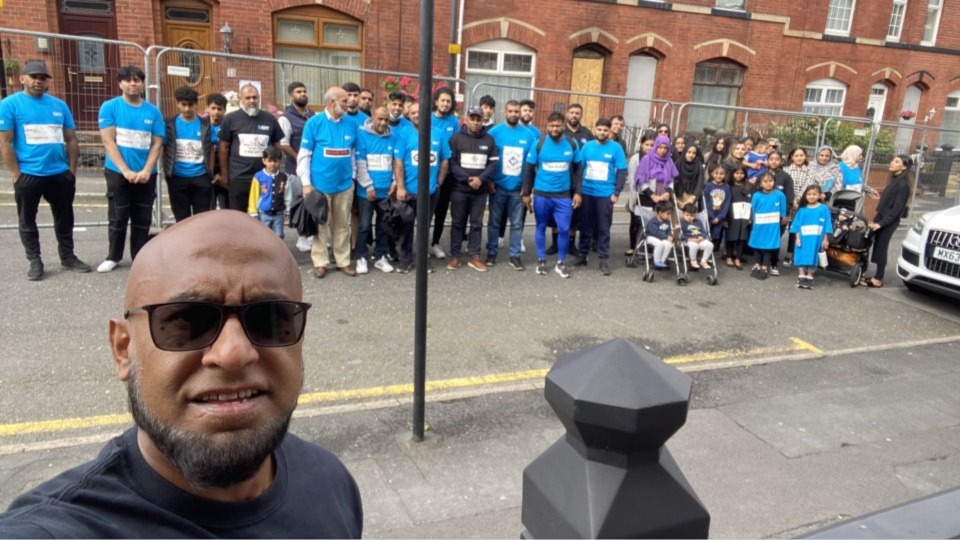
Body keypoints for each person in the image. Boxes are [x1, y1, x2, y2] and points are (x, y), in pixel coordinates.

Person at [0, 211, 363, 537]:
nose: (234, 353)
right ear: (123, 349)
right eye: (188, 320)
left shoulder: (331, 483)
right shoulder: (59, 528)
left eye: (270, 319)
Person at [0, 59, 91, 280]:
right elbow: (5, 142)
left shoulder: (59, 106)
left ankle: (67, 257)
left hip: (59, 174)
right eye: (33, 77)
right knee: (27, 220)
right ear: (22, 79)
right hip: (29, 174)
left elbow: (71, 140)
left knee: (65, 218)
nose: (38, 81)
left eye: (42, 78)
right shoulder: (10, 105)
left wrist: (71, 171)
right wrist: (16, 173)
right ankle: (35, 260)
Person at [96, 65, 165, 274]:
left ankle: (140, 256)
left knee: (142, 217)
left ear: (142, 83)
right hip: (118, 172)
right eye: (128, 80)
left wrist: (146, 170)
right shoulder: (110, 107)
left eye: (137, 80)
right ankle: (113, 256)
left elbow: (156, 143)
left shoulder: (153, 112)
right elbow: (109, 142)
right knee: (118, 215)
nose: (132, 83)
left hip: (146, 174)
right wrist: (125, 170)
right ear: (120, 84)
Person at [298, 87, 359, 279]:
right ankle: (320, 262)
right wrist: (307, 184)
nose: (348, 103)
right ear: (331, 102)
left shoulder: (351, 124)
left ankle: (343, 261)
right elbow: (304, 156)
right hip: (320, 186)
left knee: (342, 225)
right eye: (344, 100)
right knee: (320, 226)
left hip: (344, 186)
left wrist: (352, 179)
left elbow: (353, 155)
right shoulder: (314, 123)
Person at [521, 111, 582, 278]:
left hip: (563, 195)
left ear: (563, 125)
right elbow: (528, 169)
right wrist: (526, 193)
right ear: (547, 126)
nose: (554, 129)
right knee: (541, 227)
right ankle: (541, 260)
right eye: (551, 126)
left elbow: (578, 169)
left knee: (564, 229)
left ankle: (560, 262)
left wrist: (578, 192)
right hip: (541, 194)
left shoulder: (572, 143)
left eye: (557, 126)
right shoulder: (538, 143)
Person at [393, 102, 451, 274]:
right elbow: (398, 162)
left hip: (431, 191)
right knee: (406, 226)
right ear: (409, 115)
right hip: (409, 191)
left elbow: (445, 160)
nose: (417, 114)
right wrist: (401, 187)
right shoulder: (404, 133)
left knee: (424, 228)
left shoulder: (438, 134)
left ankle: (423, 261)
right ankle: (406, 260)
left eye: (420, 111)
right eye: (413, 112)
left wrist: (439, 183)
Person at [447, 106, 499, 272]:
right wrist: (467, 178)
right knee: (457, 223)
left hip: (480, 191)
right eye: (472, 118)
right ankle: (455, 256)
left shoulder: (489, 140)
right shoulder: (455, 139)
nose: (475, 122)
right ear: (466, 118)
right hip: (460, 189)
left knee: (477, 224)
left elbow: (493, 163)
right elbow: (451, 163)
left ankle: (474, 256)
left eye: (479, 119)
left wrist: (481, 179)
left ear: (483, 120)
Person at [574, 117, 627, 276]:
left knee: (604, 229)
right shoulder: (587, 147)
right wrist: (579, 191)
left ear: (609, 131)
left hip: (605, 195)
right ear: (595, 129)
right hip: (588, 193)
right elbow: (579, 169)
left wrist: (616, 193)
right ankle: (582, 255)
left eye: (605, 130)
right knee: (585, 226)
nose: (602, 132)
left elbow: (622, 171)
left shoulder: (616, 148)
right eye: (600, 129)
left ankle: (603, 259)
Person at [218, 84, 284, 212]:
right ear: (240, 99)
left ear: (259, 98)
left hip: (264, 178)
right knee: (238, 218)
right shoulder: (230, 119)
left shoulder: (270, 119)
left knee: (263, 217)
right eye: (247, 98)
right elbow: (223, 148)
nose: (251, 101)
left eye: (254, 97)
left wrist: (276, 172)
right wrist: (225, 174)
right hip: (238, 178)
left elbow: (277, 147)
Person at [487, 100, 534, 270]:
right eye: (511, 111)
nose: (514, 114)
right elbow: (488, 160)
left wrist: (527, 187)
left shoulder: (528, 135)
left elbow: (531, 164)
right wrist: (489, 181)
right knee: (493, 222)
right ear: (505, 112)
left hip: (518, 190)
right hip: (497, 187)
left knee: (516, 224)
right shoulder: (494, 132)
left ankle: (515, 256)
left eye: (516, 111)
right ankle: (491, 253)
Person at [860, 155, 912, 288]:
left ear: (904, 167)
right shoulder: (895, 179)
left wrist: (881, 223)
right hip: (881, 217)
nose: (892, 163)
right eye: (893, 160)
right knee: (866, 241)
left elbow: (897, 208)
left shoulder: (903, 184)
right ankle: (861, 270)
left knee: (881, 247)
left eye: (896, 162)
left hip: (888, 221)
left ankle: (878, 278)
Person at [356, 106, 398, 274]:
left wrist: (394, 183)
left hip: (386, 192)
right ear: (372, 117)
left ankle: (381, 256)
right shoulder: (362, 136)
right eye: (379, 119)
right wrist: (368, 186)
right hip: (367, 192)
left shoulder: (392, 136)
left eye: (386, 119)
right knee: (365, 226)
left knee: (383, 226)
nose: (383, 123)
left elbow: (396, 162)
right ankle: (361, 257)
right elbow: (360, 164)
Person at [162, 86, 213, 222]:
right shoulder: (169, 124)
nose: (187, 109)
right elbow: (164, 149)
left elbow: (211, 149)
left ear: (196, 104)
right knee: (181, 219)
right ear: (177, 103)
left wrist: (210, 173)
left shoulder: (205, 125)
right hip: (177, 178)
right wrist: (168, 173)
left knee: (201, 219)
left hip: (201, 177)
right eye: (183, 105)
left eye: (190, 105)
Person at [278, 81, 315, 252]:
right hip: (295, 169)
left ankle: (314, 235)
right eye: (299, 91)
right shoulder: (286, 118)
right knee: (299, 202)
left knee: (315, 201)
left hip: (315, 169)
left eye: (304, 91)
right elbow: (283, 144)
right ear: (291, 96)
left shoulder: (313, 116)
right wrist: (301, 159)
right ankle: (302, 237)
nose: (303, 94)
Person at [428, 87, 462, 260]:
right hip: (427, 170)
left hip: (446, 172)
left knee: (441, 210)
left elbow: (455, 145)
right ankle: (421, 243)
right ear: (436, 101)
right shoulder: (427, 118)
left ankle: (435, 243)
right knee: (425, 211)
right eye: (443, 100)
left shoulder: (454, 122)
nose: (445, 104)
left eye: (449, 101)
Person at [790, 184, 833, 289]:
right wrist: (797, 237)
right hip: (803, 237)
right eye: (809, 194)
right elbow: (796, 224)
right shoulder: (802, 209)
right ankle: (801, 276)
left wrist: (825, 239)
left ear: (819, 196)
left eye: (814, 194)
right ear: (805, 195)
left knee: (813, 256)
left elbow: (827, 224)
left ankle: (810, 277)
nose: (811, 196)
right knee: (801, 255)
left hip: (816, 238)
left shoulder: (823, 209)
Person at [747, 172, 787, 280]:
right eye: (765, 181)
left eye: (770, 181)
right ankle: (757, 265)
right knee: (757, 245)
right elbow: (753, 209)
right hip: (759, 225)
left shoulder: (779, 195)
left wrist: (783, 217)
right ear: (760, 183)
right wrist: (752, 220)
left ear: (774, 182)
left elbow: (783, 208)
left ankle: (764, 267)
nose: (768, 183)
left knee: (769, 246)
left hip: (772, 226)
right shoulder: (756, 195)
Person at [782, 147, 816, 268]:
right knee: (781, 228)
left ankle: (790, 254)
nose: (799, 158)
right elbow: (784, 187)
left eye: (801, 155)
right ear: (792, 157)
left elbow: (808, 187)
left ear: (805, 156)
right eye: (796, 156)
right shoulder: (785, 170)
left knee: (795, 230)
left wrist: (797, 201)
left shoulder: (809, 171)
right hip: (787, 203)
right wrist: (791, 201)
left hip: (801, 205)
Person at [625, 130, 657, 256]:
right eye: (647, 144)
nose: (649, 147)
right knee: (635, 222)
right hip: (638, 195)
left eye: (652, 145)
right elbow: (633, 180)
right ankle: (633, 246)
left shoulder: (658, 159)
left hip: (653, 195)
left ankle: (649, 246)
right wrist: (634, 197)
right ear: (641, 145)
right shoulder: (635, 159)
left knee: (651, 221)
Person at [766, 150, 795, 275]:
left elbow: (789, 198)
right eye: (771, 158)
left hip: (779, 216)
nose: (774, 161)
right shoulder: (763, 175)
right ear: (767, 160)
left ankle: (773, 263)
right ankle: (762, 263)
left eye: (777, 159)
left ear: (781, 161)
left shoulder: (786, 177)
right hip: (764, 215)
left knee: (775, 239)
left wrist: (785, 215)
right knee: (765, 238)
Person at [254, 147, 287, 238]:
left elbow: (287, 194)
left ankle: (278, 252)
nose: (272, 163)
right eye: (270, 161)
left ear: (279, 161)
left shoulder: (283, 177)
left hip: (279, 213)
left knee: (279, 235)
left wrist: (288, 209)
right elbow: (254, 195)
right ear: (264, 161)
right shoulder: (258, 176)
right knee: (264, 236)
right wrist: (253, 212)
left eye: (275, 161)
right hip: (263, 213)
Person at [205, 93, 229, 210]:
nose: (216, 112)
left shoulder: (229, 125)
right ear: (207, 108)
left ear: (224, 110)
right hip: (206, 175)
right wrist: (211, 175)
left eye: (219, 109)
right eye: (213, 108)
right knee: (209, 210)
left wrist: (222, 174)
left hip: (225, 176)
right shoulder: (202, 125)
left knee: (227, 210)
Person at [725, 165, 751, 270]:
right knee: (731, 236)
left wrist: (750, 217)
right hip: (731, 214)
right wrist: (725, 218)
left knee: (742, 237)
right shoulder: (728, 186)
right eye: (737, 173)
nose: (739, 175)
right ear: (732, 174)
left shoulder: (749, 186)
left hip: (744, 214)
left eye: (742, 173)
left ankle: (738, 258)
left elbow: (751, 201)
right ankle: (729, 257)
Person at [703, 164, 730, 253]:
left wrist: (720, 217)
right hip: (709, 215)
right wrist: (711, 216)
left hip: (720, 217)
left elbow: (727, 203)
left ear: (725, 175)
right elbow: (705, 202)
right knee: (707, 234)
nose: (719, 176)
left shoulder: (726, 187)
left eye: (722, 174)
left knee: (716, 236)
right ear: (712, 174)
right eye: (716, 173)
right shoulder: (708, 186)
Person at [680, 202, 713, 270]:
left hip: (699, 239)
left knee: (710, 245)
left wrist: (701, 237)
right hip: (689, 240)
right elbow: (680, 234)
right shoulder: (681, 222)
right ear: (683, 214)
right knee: (694, 246)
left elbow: (703, 232)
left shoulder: (698, 222)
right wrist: (689, 239)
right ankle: (693, 260)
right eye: (687, 215)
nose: (689, 217)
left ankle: (704, 261)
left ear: (695, 215)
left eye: (692, 216)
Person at [674, 143, 705, 211]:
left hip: (692, 197)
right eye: (689, 152)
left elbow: (700, 183)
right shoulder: (678, 164)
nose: (691, 155)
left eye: (694, 153)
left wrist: (691, 199)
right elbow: (672, 181)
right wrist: (677, 200)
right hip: (678, 197)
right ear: (685, 151)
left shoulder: (699, 166)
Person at [644, 201, 674, 270]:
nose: (669, 216)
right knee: (659, 244)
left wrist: (669, 236)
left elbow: (668, 230)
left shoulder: (667, 221)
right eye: (668, 214)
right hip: (651, 237)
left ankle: (662, 261)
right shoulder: (653, 222)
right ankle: (657, 261)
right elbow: (655, 232)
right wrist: (666, 237)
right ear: (660, 212)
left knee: (668, 244)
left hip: (662, 237)